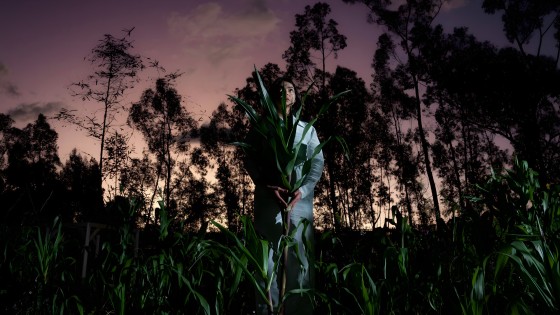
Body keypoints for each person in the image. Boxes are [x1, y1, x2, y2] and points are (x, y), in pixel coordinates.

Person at [244, 77, 324, 315]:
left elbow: (317, 163)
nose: (286, 93)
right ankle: (267, 310)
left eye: (290, 89)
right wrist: (265, 185)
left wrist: (304, 190)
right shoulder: (261, 126)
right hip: (269, 200)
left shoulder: (307, 129)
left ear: (296, 96)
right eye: (280, 90)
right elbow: (250, 159)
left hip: (299, 203)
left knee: (299, 263)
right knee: (265, 263)